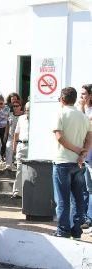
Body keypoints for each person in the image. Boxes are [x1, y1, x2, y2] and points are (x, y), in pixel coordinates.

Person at [52, 87, 91, 239]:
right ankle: (76, 231)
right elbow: (89, 137)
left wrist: (77, 150)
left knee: (62, 199)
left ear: (62, 99)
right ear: (74, 99)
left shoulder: (60, 113)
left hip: (62, 161)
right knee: (78, 199)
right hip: (78, 163)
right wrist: (83, 153)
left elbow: (59, 137)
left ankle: (63, 230)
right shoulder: (83, 116)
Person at [78, 84, 92, 229]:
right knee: (84, 188)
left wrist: (81, 108)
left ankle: (89, 217)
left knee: (90, 188)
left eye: (84, 94)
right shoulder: (80, 110)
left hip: (90, 154)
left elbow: (85, 125)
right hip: (82, 155)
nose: (81, 97)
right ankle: (84, 216)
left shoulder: (87, 111)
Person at [11, 102, 30, 198]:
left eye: (29, 110)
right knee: (19, 169)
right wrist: (14, 146)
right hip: (21, 145)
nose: (28, 112)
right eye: (27, 110)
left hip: (31, 146)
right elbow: (16, 133)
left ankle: (29, 191)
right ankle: (17, 192)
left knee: (31, 170)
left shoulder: (37, 119)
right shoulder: (21, 118)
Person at [5, 100, 23, 171]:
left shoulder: (23, 115)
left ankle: (19, 166)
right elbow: (7, 125)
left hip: (20, 137)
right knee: (8, 148)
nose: (15, 108)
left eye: (17, 106)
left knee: (18, 151)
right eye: (14, 106)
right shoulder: (10, 114)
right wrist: (5, 135)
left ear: (20, 107)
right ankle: (8, 166)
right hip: (11, 136)